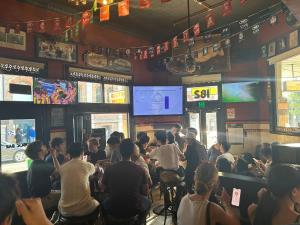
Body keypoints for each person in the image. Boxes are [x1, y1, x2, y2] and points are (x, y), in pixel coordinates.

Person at [102, 139, 150, 223]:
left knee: (103, 204)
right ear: (132, 152)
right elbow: (145, 191)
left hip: (114, 207)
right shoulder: (140, 169)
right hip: (134, 208)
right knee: (148, 202)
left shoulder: (109, 169)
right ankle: (140, 222)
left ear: (120, 151)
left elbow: (103, 188)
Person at [51, 142, 99, 217]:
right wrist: (96, 165)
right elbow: (95, 170)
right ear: (82, 153)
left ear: (69, 154)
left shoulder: (63, 167)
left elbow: (58, 169)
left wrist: (54, 157)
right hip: (84, 209)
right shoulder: (87, 166)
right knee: (97, 202)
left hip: (64, 210)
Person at [25, 141, 60, 210]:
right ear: (39, 152)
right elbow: (59, 171)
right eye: (43, 146)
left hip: (38, 198)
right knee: (68, 195)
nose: (46, 147)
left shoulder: (35, 163)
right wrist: (54, 157)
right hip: (44, 199)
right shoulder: (40, 163)